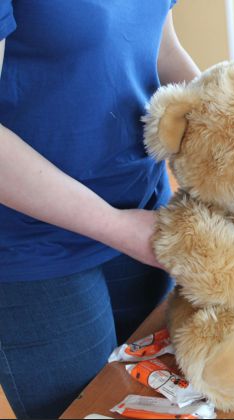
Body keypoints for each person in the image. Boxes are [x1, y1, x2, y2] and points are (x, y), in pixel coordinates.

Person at [0, 1, 200, 418]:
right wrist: (116, 227)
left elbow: (161, 49)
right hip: (32, 245)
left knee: (162, 400)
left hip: (143, 211)